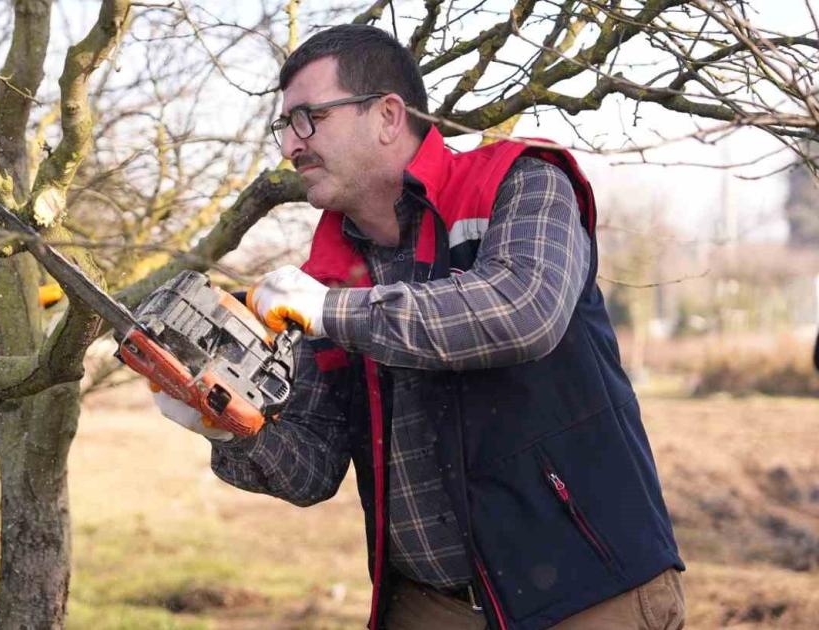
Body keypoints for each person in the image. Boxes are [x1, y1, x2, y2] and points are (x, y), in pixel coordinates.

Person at [154, 25, 685, 630]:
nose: (290, 146)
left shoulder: (522, 182)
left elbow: (521, 311)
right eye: (284, 126)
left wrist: (335, 312)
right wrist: (225, 420)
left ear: (386, 115)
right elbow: (313, 468)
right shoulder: (326, 279)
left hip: (589, 592)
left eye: (308, 119)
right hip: (430, 605)